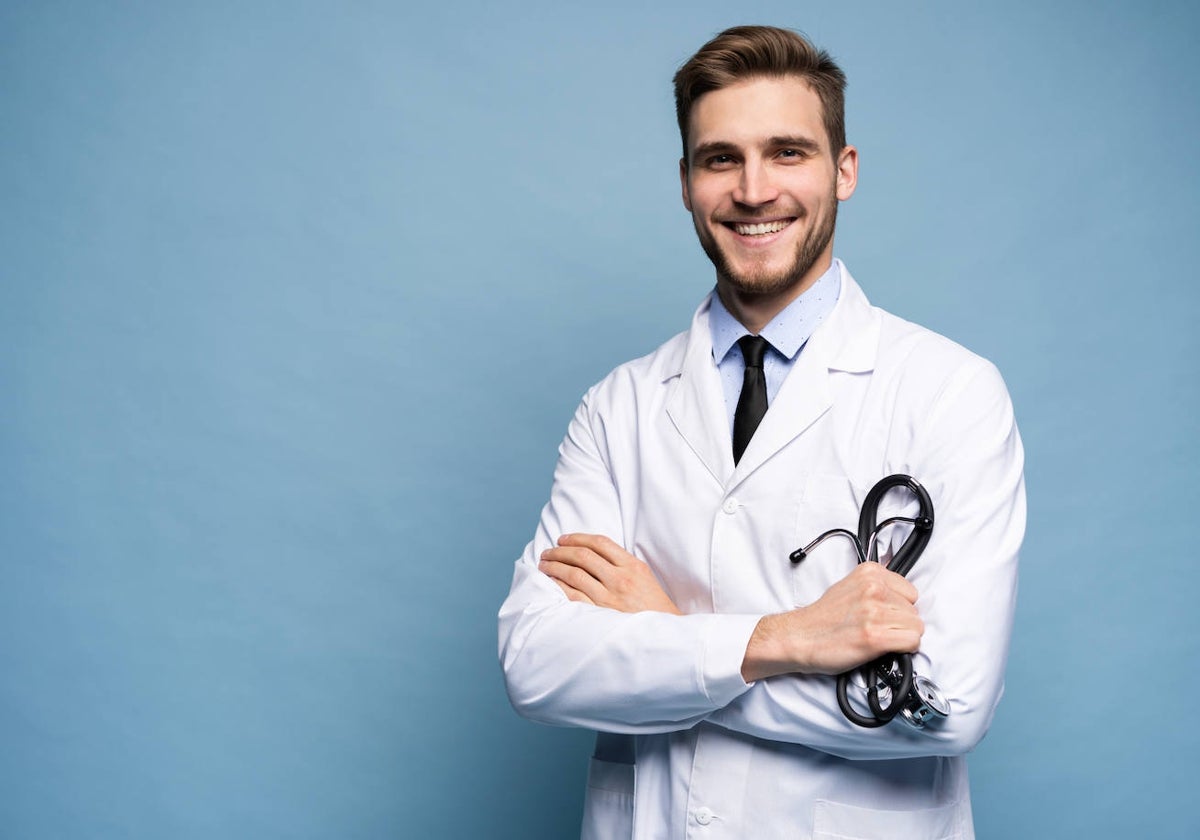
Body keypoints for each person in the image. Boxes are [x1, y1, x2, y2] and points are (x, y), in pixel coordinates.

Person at [498, 24, 1024, 840]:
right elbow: (537, 666)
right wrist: (787, 639)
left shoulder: (951, 393)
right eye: (720, 159)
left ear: (843, 171)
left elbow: (946, 704)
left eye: (788, 153)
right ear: (685, 183)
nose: (752, 190)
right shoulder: (620, 407)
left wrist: (670, 640)